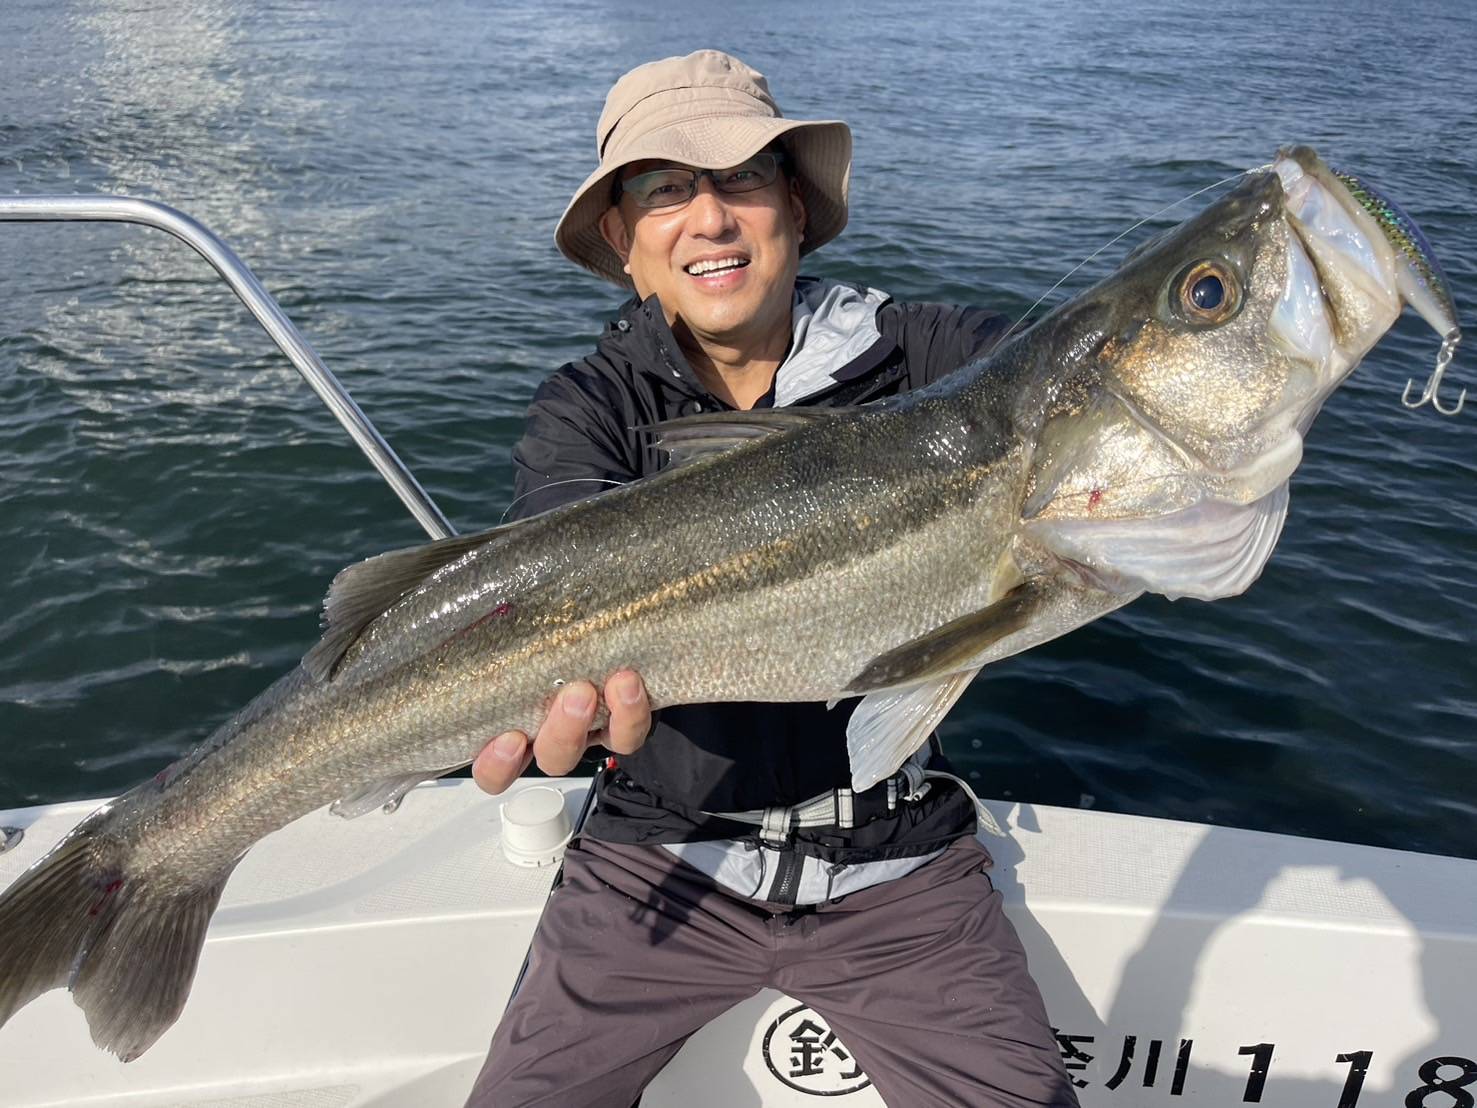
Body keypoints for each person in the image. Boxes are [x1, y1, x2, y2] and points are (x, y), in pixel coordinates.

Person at [464, 50, 1079, 1108]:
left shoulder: (935, 357)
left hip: (899, 862)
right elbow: (557, 544)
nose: (708, 217)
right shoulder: (588, 406)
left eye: (742, 177)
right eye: (663, 188)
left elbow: (1069, 397)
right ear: (624, 243)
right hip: (651, 863)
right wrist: (550, 685)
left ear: (796, 206)